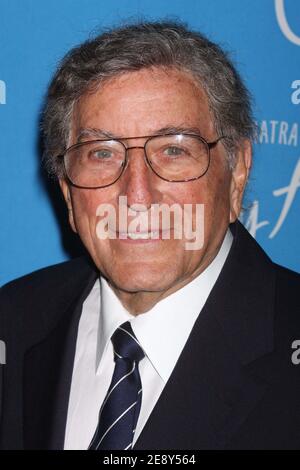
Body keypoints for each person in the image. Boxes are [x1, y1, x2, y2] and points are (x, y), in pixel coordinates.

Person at [0, 20, 299, 451]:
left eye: (174, 149)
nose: (136, 196)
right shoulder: (13, 323)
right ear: (68, 192)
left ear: (236, 175)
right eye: (102, 153)